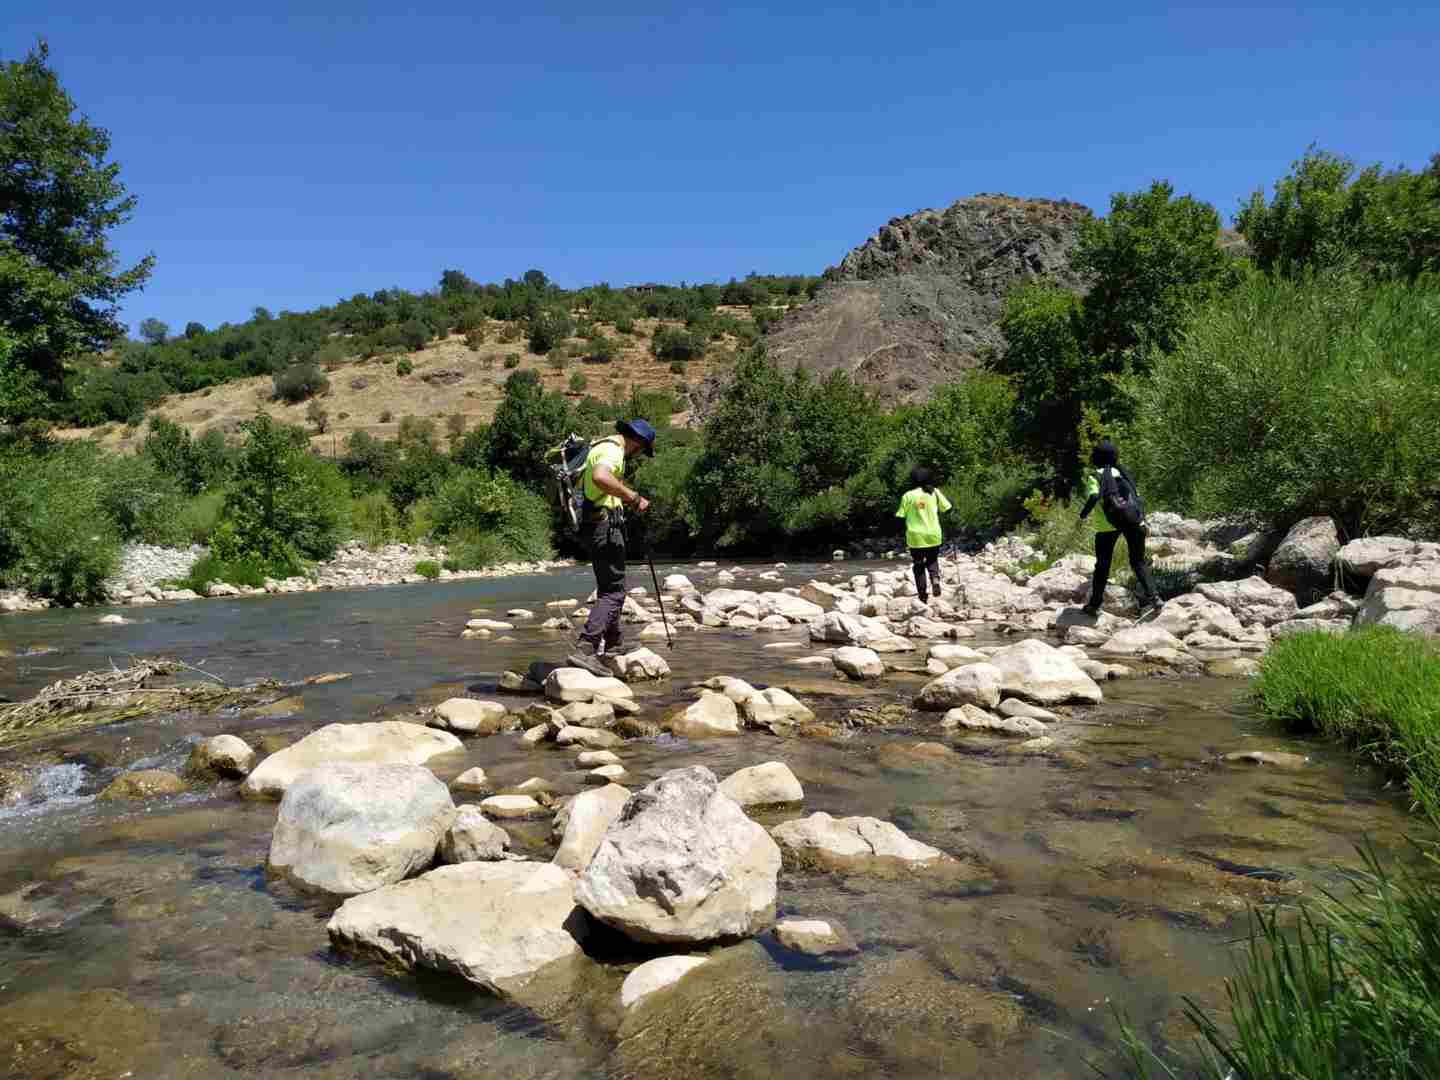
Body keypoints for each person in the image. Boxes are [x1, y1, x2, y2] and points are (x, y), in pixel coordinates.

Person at [566, 418, 655, 676]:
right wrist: (633, 497)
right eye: (641, 450)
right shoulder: (613, 451)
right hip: (603, 528)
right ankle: (585, 648)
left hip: (594, 526)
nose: (638, 455)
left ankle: (614, 644)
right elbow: (600, 476)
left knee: (611, 587)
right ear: (636, 443)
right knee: (614, 593)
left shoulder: (600, 446)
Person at [1078, 439, 1159, 616]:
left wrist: (1082, 515)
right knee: (1138, 561)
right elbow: (1136, 498)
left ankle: (1094, 604)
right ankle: (1155, 598)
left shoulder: (1095, 475)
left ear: (1097, 458)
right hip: (1133, 522)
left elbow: (1093, 497)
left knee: (1103, 566)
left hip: (1107, 526)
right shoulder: (1123, 474)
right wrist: (1143, 521)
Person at [896, 467, 952, 605]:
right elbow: (948, 509)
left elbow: (900, 516)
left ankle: (922, 596)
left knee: (919, 565)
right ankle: (935, 578)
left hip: (915, 537)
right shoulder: (934, 492)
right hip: (933, 534)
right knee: (932, 560)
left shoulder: (908, 495)